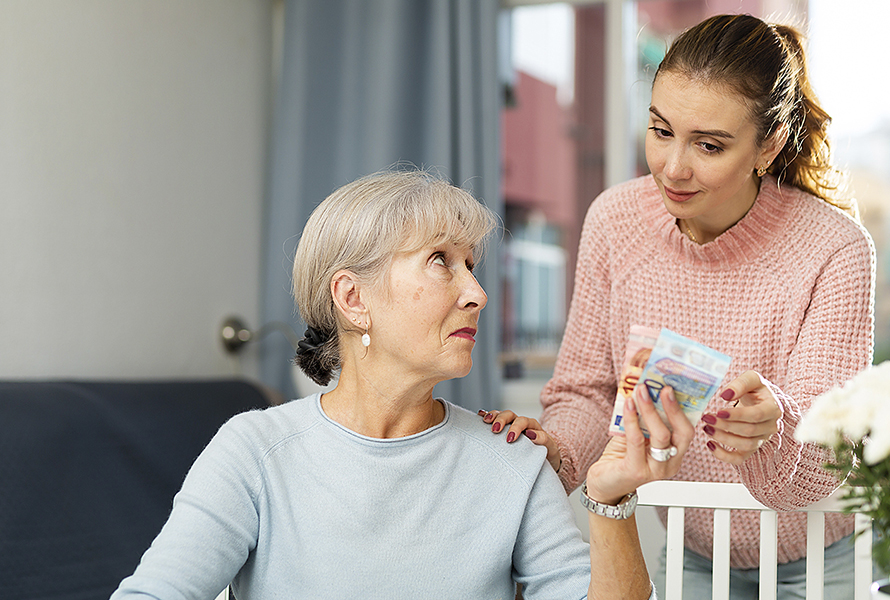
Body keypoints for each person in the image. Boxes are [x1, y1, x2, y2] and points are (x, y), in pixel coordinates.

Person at [109, 169, 696, 600]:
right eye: (441, 261)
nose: (477, 293)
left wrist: (610, 497)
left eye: (472, 265)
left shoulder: (513, 460)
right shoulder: (256, 451)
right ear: (353, 299)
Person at [484, 13, 876, 600]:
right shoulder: (614, 222)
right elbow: (588, 392)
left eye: (709, 145)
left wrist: (774, 427)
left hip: (816, 556)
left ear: (767, 146)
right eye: (661, 130)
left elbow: (829, 452)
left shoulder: (834, 248)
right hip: (694, 553)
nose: (671, 167)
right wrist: (555, 452)